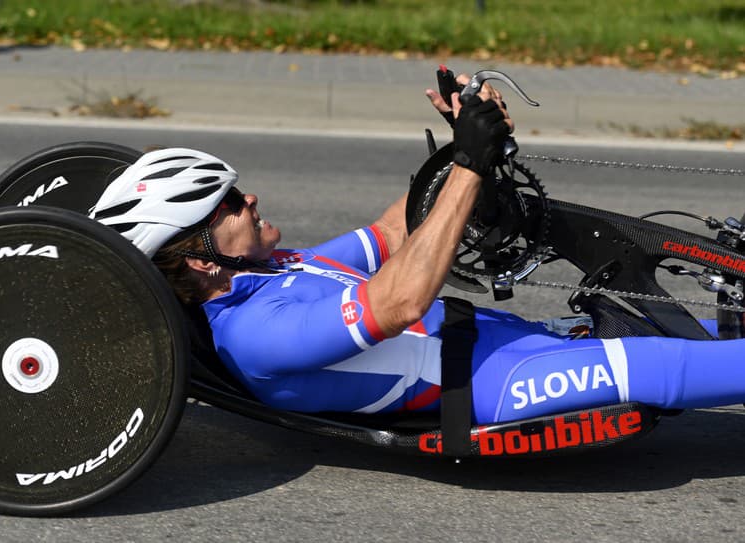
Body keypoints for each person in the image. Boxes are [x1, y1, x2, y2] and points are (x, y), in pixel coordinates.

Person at [90, 74, 745, 425]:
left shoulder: (273, 272)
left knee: (696, 325)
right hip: (492, 382)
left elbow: (396, 234)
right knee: (658, 363)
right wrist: (466, 166)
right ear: (202, 258)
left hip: (500, 335)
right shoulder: (258, 334)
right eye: (229, 205)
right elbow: (400, 300)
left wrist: (459, 154)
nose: (251, 198)